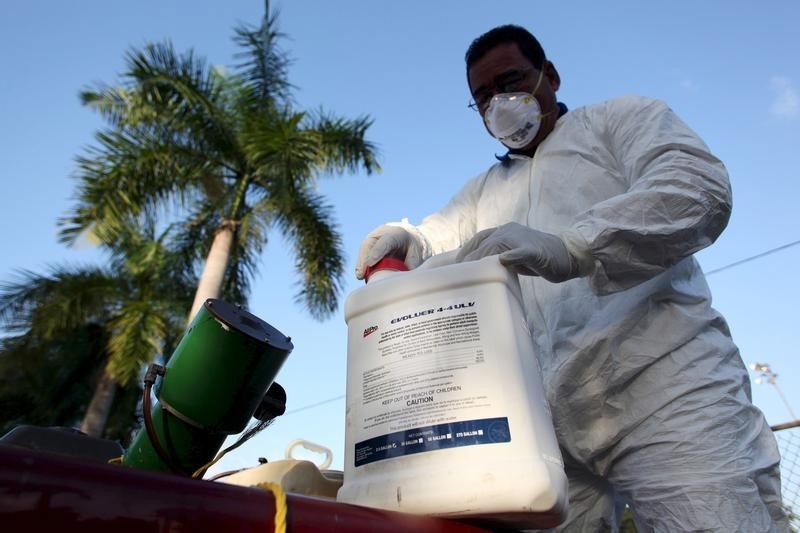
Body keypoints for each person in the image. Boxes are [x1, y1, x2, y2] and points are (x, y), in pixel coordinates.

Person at [355, 24, 788, 532]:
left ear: (551, 75)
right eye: (483, 96)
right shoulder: (484, 192)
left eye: (511, 79)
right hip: (544, 425)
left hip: (664, 388)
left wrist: (575, 246)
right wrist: (405, 240)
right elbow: (438, 236)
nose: (500, 101)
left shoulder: (618, 120)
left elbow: (695, 189)